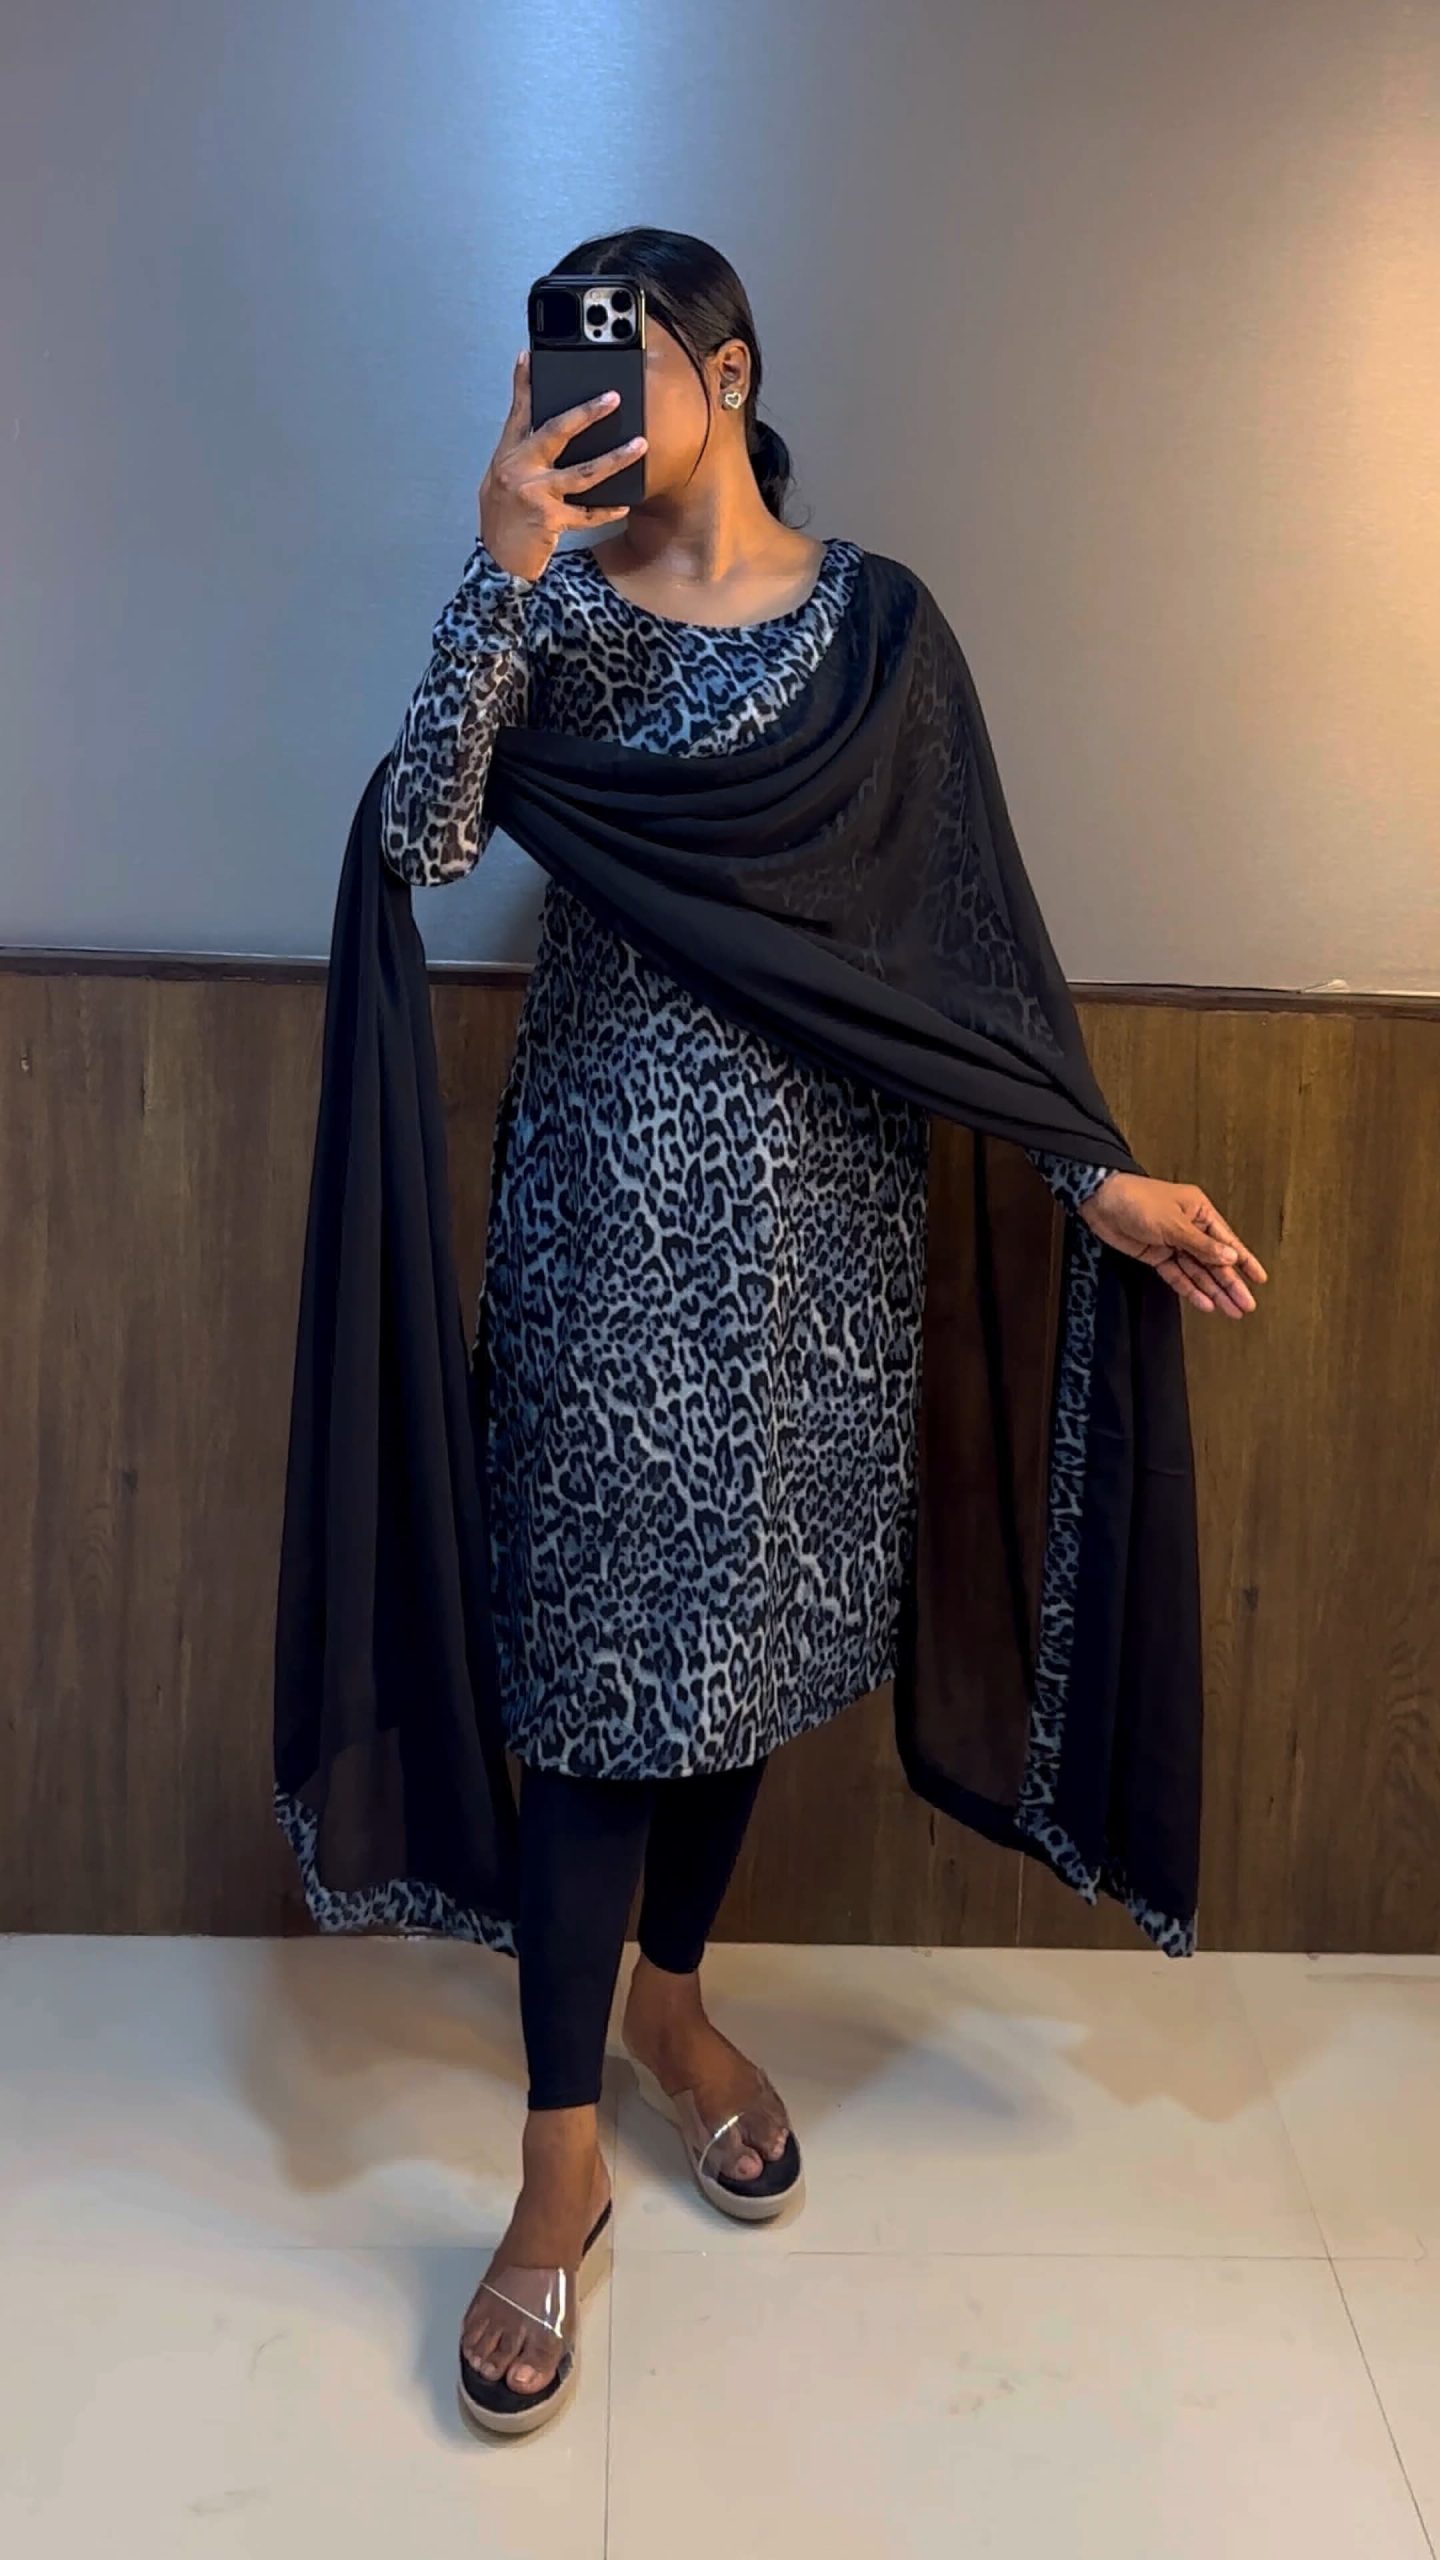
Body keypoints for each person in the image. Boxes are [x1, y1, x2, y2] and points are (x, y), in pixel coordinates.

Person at [376, 227, 1266, 2435]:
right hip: (605, 1229)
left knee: (747, 1660)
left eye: (623, 358)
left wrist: (1093, 1170)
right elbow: (420, 834)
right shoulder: (558, 617)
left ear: (731, 373)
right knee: (600, 1682)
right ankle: (554, 2171)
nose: (578, 395)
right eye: (549, 364)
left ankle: (671, 2004)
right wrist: (496, 567)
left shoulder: (882, 634)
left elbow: (971, 947)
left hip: (821, 1253)